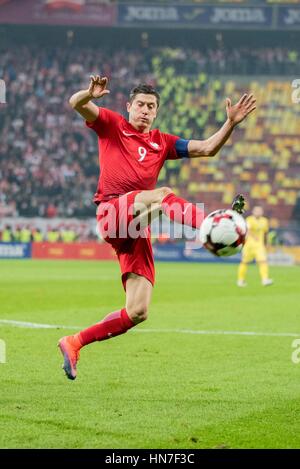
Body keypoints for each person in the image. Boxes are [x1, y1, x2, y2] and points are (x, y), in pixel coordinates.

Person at [58, 76, 256, 380]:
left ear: (156, 112)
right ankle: (209, 225)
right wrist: (89, 94)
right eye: (140, 105)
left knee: (138, 312)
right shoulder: (112, 125)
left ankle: (75, 342)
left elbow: (207, 149)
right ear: (128, 107)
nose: (145, 110)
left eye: (151, 106)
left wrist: (230, 124)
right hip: (112, 212)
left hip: (136, 229)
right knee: (164, 195)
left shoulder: (162, 142)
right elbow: (76, 104)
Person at [237, 205, 273, 287]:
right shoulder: (249, 219)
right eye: (256, 211)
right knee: (244, 262)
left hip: (259, 246)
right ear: (253, 212)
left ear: (262, 212)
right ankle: (240, 280)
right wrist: (254, 236)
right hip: (248, 245)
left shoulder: (265, 221)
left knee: (263, 261)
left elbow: (265, 233)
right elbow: (247, 230)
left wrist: (266, 243)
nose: (258, 212)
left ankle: (265, 279)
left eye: (260, 211)